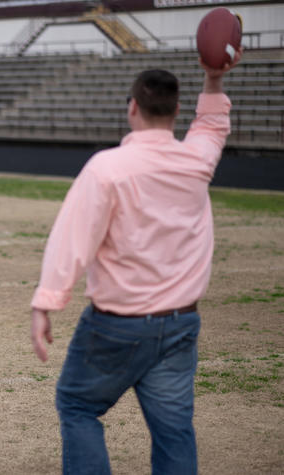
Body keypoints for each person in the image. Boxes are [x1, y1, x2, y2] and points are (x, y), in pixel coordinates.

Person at [30, 48, 243, 475]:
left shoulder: (108, 168)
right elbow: (212, 125)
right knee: (174, 430)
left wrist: (46, 303)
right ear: (177, 110)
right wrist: (214, 78)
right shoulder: (197, 160)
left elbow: (72, 239)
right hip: (181, 322)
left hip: (116, 325)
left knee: (77, 405)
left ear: (132, 108)